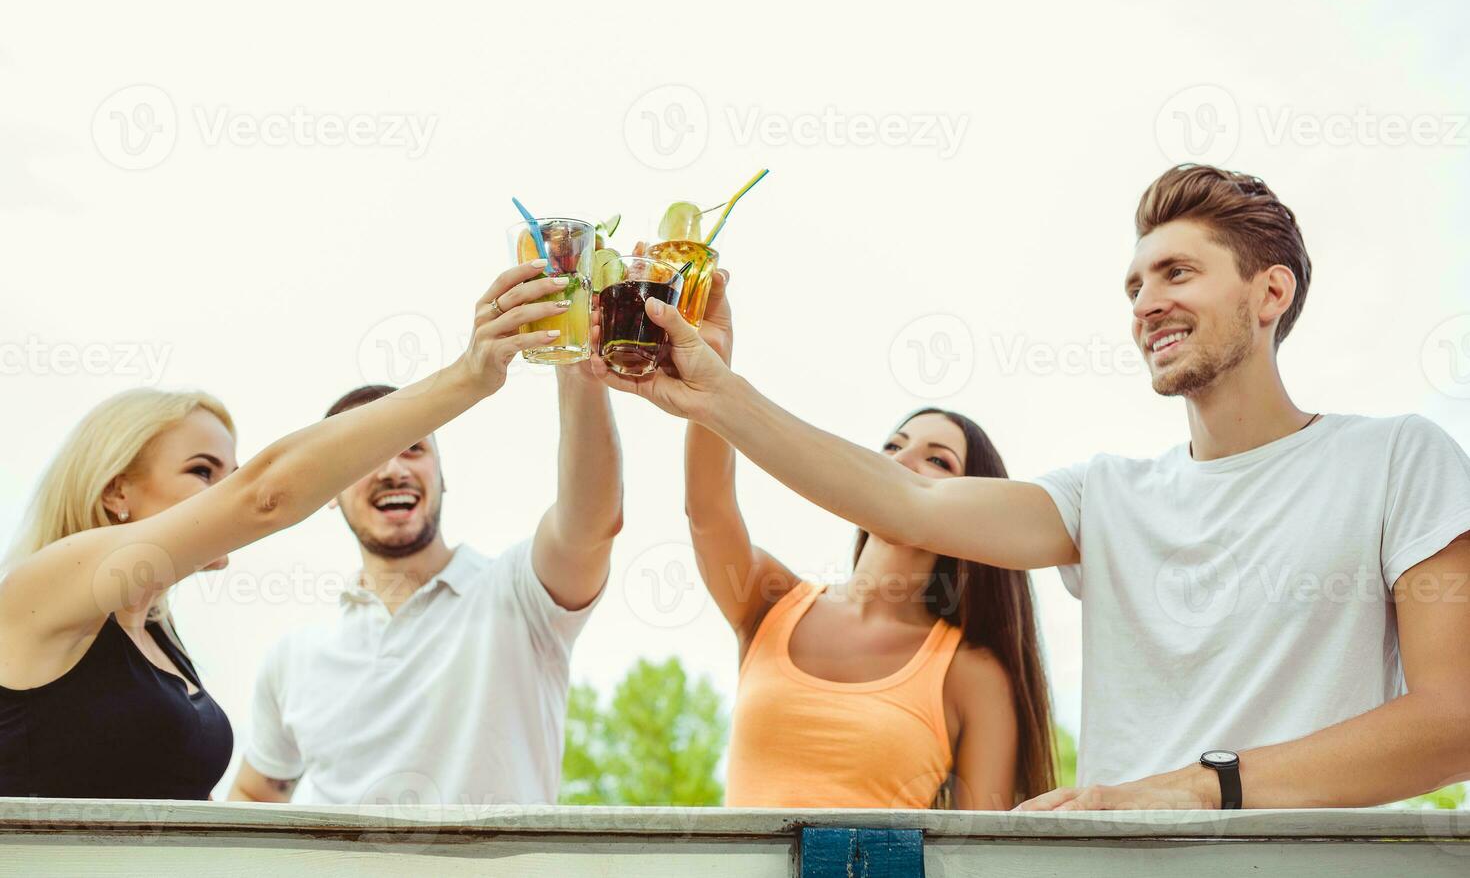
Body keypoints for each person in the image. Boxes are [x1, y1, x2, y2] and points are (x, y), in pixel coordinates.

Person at [592, 165, 1470, 811]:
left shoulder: (1399, 461)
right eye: (1134, 284)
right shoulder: (1106, 497)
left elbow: (1456, 718)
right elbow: (907, 505)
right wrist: (720, 393)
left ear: (1270, 291)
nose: (1145, 302)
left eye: (1177, 273)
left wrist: (1198, 788)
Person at [0, 260, 569, 800]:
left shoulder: (158, 639)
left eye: (231, 473)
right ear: (115, 490)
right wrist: (469, 376)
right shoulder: (47, 585)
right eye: (203, 471)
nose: (224, 493)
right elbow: (263, 496)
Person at [683, 274, 1055, 810]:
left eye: (937, 459)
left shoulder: (972, 674)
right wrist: (713, 370)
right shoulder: (772, 603)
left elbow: (984, 856)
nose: (900, 463)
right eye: (893, 446)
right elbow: (706, 511)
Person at [227, 358, 620, 806]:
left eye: (413, 447)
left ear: (442, 475)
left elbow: (591, 522)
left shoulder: (521, 593)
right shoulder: (292, 659)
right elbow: (253, 798)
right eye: (363, 453)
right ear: (329, 491)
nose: (393, 468)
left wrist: (579, 373)